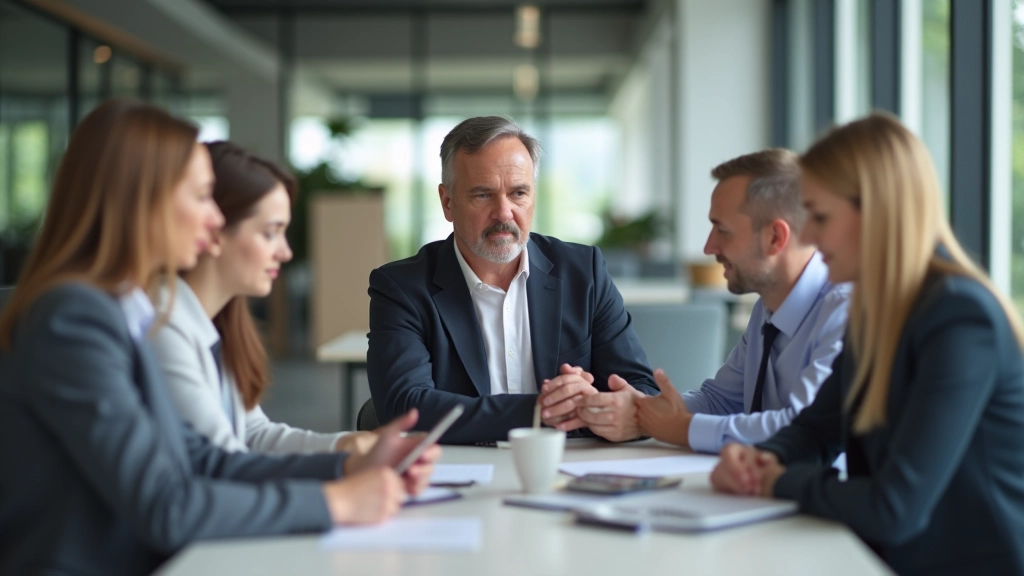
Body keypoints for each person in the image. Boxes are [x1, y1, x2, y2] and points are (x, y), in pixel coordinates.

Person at [0, 100, 438, 576]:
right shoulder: (75, 319)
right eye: (202, 196)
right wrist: (337, 502)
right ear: (141, 199)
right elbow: (167, 506)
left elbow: (203, 459)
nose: (214, 221)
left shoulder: (122, 311)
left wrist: (345, 469)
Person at [710, 113, 1024, 574]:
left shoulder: (960, 317)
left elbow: (895, 507)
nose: (809, 237)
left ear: (876, 212)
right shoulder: (877, 308)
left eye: (819, 216)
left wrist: (776, 481)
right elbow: (818, 428)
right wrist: (757, 460)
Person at [367, 116, 658, 444]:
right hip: (457, 477)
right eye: (483, 195)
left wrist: (596, 402)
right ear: (447, 202)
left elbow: (640, 393)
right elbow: (404, 408)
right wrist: (544, 411)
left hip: (569, 474)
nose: (504, 213)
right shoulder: (402, 287)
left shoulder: (584, 272)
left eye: (518, 193)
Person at [579, 149, 850, 450]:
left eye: (722, 230)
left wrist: (671, 427)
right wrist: (639, 409)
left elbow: (802, 427)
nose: (709, 246)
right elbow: (721, 400)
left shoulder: (845, 312)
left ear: (775, 238)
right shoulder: (769, 305)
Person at [151, 140, 375, 455]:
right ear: (214, 228)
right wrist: (342, 474)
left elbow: (252, 433)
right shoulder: (162, 325)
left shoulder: (216, 324)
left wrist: (345, 445)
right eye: (270, 232)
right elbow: (226, 462)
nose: (285, 252)